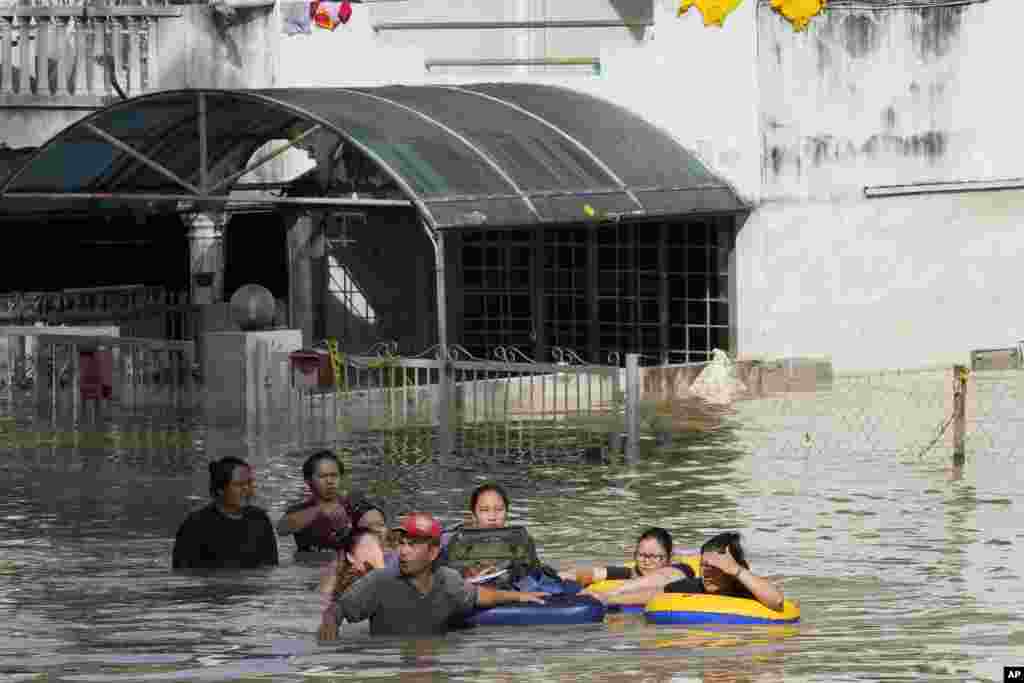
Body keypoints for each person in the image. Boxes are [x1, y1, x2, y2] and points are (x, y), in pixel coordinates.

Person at [327, 512, 548, 637]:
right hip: (391, 664)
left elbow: (480, 595)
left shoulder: (448, 581)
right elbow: (338, 609)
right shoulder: (379, 581)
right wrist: (328, 628)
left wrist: (518, 596)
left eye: (412, 545)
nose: (403, 551)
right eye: (402, 544)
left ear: (433, 552)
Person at [590, 532, 785, 611]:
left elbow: (776, 602)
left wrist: (737, 571)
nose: (706, 572)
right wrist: (606, 599)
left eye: (715, 566)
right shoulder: (695, 586)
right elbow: (654, 595)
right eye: (703, 565)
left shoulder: (746, 588)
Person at [172, 456, 278, 570]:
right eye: (239, 485)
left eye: (250, 483)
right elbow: (182, 572)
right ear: (220, 490)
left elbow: (270, 567)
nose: (248, 490)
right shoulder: (195, 524)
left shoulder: (260, 519)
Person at [438, 482, 539, 571]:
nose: (492, 517)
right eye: (484, 510)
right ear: (473, 515)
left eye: (499, 509)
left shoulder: (522, 540)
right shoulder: (451, 542)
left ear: (506, 512)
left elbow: (534, 574)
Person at [563, 527, 695, 586]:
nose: (646, 562)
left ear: (669, 557)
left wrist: (611, 594)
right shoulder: (632, 572)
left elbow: (661, 580)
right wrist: (561, 578)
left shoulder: (682, 569)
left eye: (654, 557)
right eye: (641, 555)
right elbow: (594, 573)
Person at [276, 450, 351, 554]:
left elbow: (373, 520)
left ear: (341, 478)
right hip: (309, 567)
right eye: (322, 476)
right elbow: (281, 529)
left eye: (334, 475)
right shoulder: (299, 510)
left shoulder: (353, 505)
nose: (330, 481)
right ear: (308, 480)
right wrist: (320, 510)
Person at [317, 528, 386, 641]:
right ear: (351, 557)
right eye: (368, 548)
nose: (376, 553)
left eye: (378, 547)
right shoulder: (347, 585)